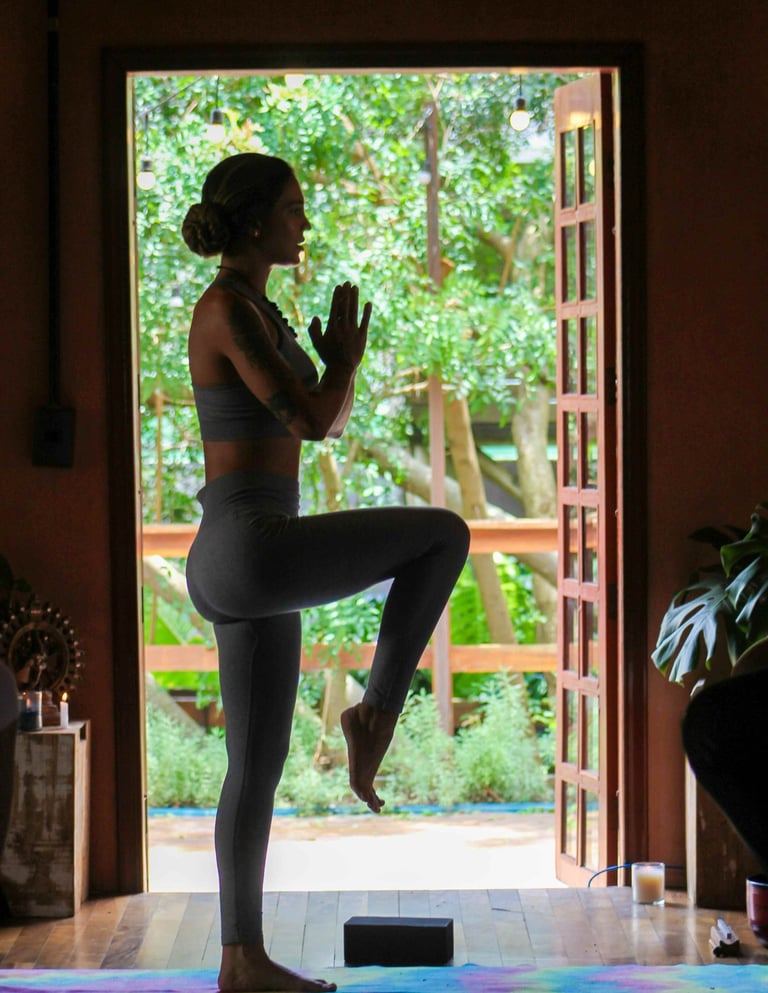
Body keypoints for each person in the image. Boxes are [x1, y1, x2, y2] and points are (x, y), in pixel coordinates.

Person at [181, 153, 470, 993]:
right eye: (292, 208)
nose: (303, 223)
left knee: (255, 764)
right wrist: (340, 364)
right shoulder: (224, 308)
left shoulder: (258, 309)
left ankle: (241, 960)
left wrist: (341, 361)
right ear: (254, 220)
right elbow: (311, 420)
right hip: (249, 545)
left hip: (249, 556)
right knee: (442, 536)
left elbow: (326, 421)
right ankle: (373, 714)